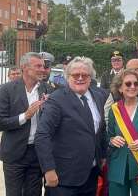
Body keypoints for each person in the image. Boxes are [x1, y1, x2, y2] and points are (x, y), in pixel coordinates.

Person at [35, 57, 107, 196]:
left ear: (90, 77)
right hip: (63, 178)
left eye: (84, 75)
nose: (80, 78)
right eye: (75, 75)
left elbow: (100, 129)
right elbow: (42, 135)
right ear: (67, 77)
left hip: (91, 175)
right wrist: (48, 170)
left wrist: (102, 155)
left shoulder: (98, 96)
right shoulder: (57, 99)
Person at [0, 52, 49, 196]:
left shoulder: (48, 89)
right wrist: (25, 116)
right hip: (14, 153)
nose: (42, 69)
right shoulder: (7, 89)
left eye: (43, 66)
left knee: (34, 193)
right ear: (24, 67)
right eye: (38, 66)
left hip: (38, 153)